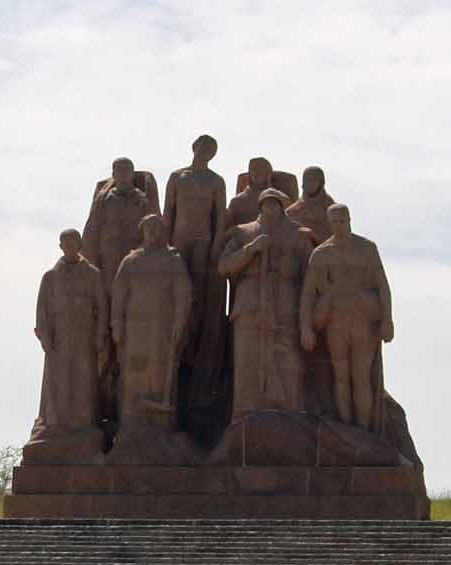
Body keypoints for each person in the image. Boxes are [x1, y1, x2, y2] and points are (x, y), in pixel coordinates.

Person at [215, 189, 314, 416]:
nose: (270, 208)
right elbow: (224, 266)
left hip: (286, 306)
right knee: (247, 362)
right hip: (250, 305)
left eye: (275, 203)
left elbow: (312, 274)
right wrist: (250, 250)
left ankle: (290, 418)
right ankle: (245, 419)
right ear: (260, 206)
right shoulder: (243, 232)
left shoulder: (298, 234)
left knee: (288, 362)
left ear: (282, 206)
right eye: (266, 203)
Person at [300, 203, 394, 431]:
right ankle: (349, 431)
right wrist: (306, 327)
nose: (339, 225)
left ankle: (364, 432)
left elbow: (382, 286)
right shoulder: (321, 254)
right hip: (336, 322)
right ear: (329, 223)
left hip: (363, 321)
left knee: (361, 377)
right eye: (334, 222)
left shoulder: (367, 248)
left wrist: (387, 319)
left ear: (349, 220)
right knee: (341, 376)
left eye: (342, 221)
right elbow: (308, 294)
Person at [162, 134, 230, 433]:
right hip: (179, 239)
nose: (205, 152)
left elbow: (220, 218)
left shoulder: (216, 181)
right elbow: (168, 213)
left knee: (200, 300)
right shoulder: (178, 177)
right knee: (177, 295)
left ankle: (198, 345)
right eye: (202, 147)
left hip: (203, 242)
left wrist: (217, 246)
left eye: (210, 149)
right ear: (193, 148)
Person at [109, 214, 195, 436]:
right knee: (134, 371)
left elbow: (183, 293)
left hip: (162, 325)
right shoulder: (130, 261)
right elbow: (118, 296)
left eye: (157, 228)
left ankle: (160, 423)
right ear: (142, 231)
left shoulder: (172, 260)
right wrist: (116, 325)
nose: (152, 232)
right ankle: (132, 421)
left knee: (160, 369)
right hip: (135, 326)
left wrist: (179, 321)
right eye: (148, 228)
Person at [27, 228, 109, 457]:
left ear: (80, 244)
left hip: (84, 336)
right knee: (58, 381)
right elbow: (42, 309)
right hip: (59, 338)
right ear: (61, 247)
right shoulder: (50, 277)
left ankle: (82, 425)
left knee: (83, 379)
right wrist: (45, 335)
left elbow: (102, 306)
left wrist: (100, 333)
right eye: (65, 243)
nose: (69, 246)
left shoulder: (93, 275)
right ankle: (55, 425)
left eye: (73, 242)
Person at [83, 157, 156, 287]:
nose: (123, 174)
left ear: (132, 174)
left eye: (127, 170)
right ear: (113, 174)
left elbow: (154, 228)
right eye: (119, 170)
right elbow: (93, 229)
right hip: (110, 255)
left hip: (136, 254)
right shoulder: (104, 200)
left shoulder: (143, 200)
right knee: (110, 292)